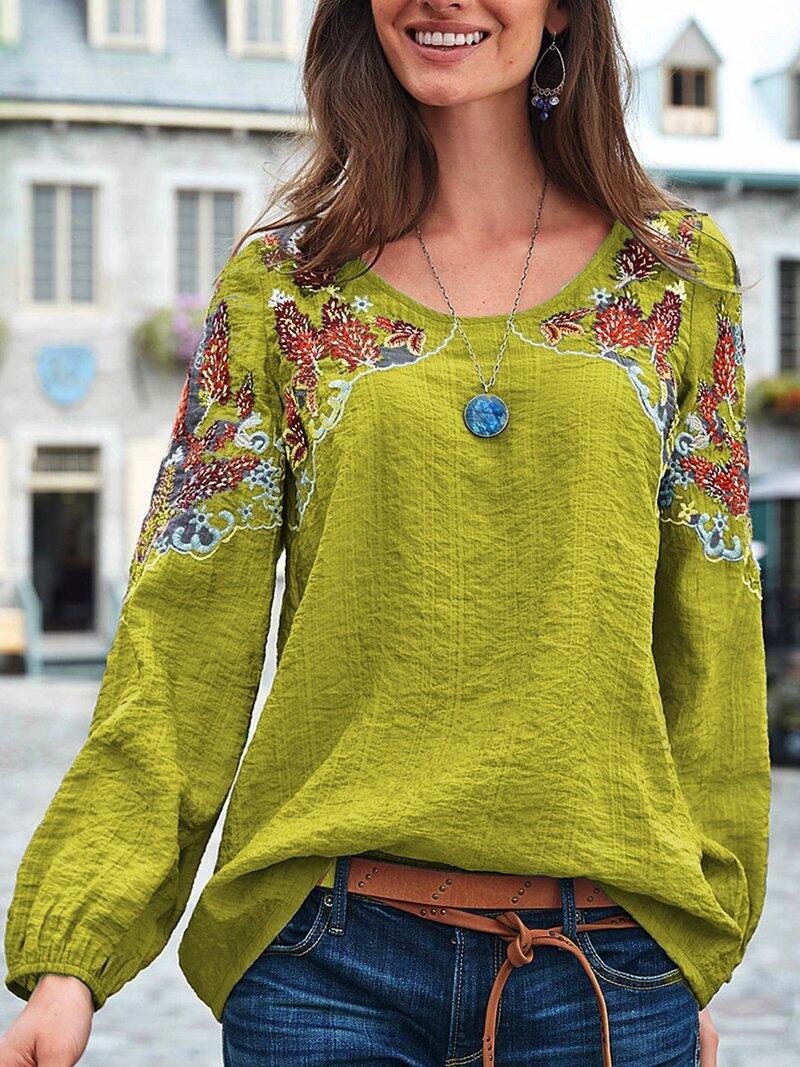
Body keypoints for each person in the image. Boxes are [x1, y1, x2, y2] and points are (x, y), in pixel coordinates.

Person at [1, 1, 770, 1064]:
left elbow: (712, 630)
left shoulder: (677, 278)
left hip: (605, 967)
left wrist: (693, 935)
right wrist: (71, 955)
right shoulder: (285, 289)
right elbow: (181, 639)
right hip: (325, 967)